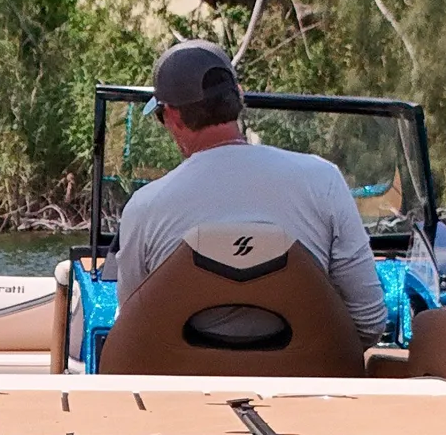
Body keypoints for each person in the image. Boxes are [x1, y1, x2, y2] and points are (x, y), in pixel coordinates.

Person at [112, 40, 391, 343]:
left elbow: (133, 332)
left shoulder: (145, 206)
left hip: (189, 387)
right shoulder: (324, 180)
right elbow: (370, 322)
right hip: (300, 387)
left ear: (172, 117)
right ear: (239, 97)